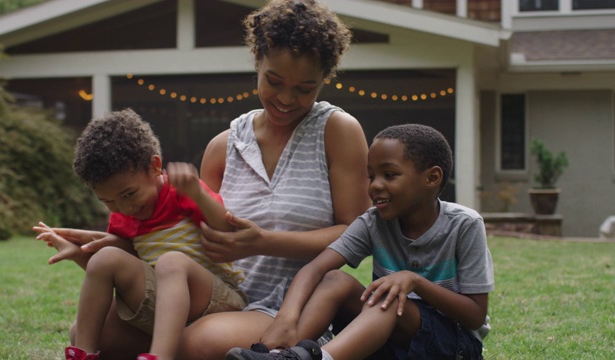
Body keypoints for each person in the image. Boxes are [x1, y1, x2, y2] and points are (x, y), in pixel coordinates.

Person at [174, 0, 372, 358]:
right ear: (256, 61)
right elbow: (196, 234)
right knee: (100, 331)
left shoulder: (337, 132)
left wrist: (264, 241)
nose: (285, 99)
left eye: (304, 88)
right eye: (274, 81)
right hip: (219, 292)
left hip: (291, 304)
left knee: (196, 344)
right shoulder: (223, 146)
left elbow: (356, 230)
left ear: (324, 80)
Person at [226, 124, 495, 360]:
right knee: (335, 279)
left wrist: (415, 282)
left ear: (431, 178)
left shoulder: (464, 225)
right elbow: (315, 269)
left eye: (389, 175)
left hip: (454, 345)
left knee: (387, 298)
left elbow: (474, 315)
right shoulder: (374, 221)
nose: (374, 186)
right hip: (388, 340)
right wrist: (287, 317)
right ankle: (280, 353)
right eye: (371, 175)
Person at [33, 108, 248, 360]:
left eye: (128, 194)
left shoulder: (181, 192)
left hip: (216, 299)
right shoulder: (124, 216)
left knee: (171, 261)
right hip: (165, 306)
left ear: (155, 167)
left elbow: (228, 232)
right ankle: (83, 354)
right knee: (106, 258)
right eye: (108, 201)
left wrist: (198, 195)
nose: (124, 208)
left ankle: (160, 357)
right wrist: (79, 253)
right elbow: (120, 272)